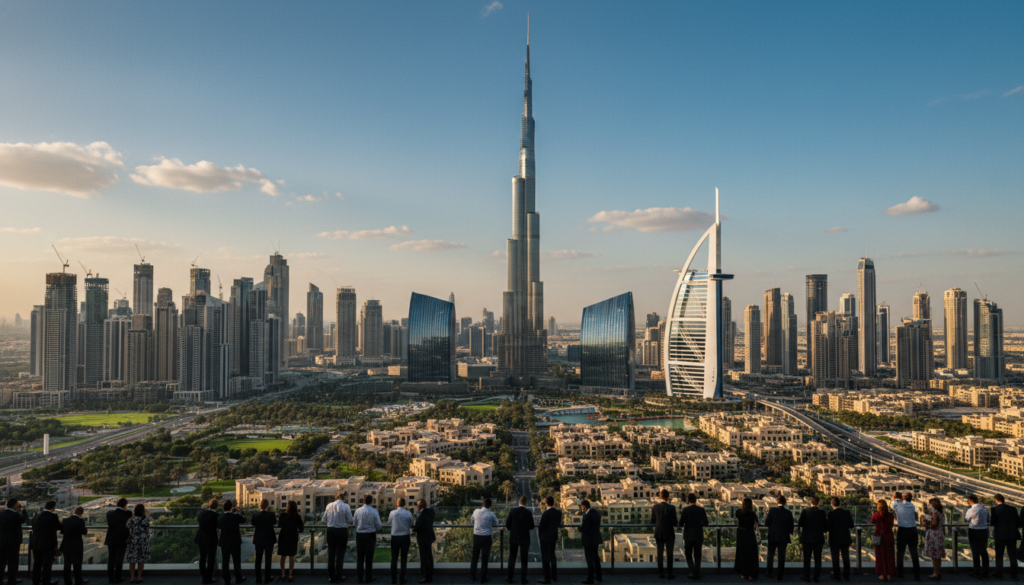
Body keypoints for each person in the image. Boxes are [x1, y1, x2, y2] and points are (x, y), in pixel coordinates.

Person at [324, 494, 354, 584]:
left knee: (331, 554)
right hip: (341, 531)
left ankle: (331, 576)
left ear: (336, 498)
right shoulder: (346, 506)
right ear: (344, 498)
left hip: (330, 530)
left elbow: (324, 518)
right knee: (340, 554)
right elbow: (350, 520)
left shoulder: (329, 505)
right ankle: (339, 575)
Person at [891, 492, 921, 581]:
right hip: (913, 530)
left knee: (900, 553)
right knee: (914, 553)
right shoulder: (912, 506)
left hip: (903, 530)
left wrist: (896, 497)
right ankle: (917, 575)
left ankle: (900, 573)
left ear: (904, 498)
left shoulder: (897, 504)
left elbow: (892, 503)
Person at [505, 496, 535, 584]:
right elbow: (532, 526)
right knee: (524, 559)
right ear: (526, 503)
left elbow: (507, 525)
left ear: (519, 502)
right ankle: (523, 579)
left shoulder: (513, 511)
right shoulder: (528, 512)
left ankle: (510, 577)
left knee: (512, 558)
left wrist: (513, 530)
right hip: (525, 538)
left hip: (514, 537)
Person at [30, 500, 61, 585]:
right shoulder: (53, 516)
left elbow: (33, 526)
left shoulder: (36, 516)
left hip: (36, 543)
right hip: (48, 544)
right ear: (53, 507)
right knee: (47, 565)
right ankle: (46, 581)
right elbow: (59, 527)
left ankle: (35, 581)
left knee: (37, 564)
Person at [678, 492, 708, 580]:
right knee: (698, 554)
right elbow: (706, 523)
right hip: (698, 535)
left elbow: (681, 523)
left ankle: (692, 571)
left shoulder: (685, 510)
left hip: (688, 535)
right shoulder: (701, 510)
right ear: (696, 500)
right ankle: (697, 572)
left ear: (688, 500)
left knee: (688, 554)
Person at [469, 498, 499, 583]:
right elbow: (497, 523)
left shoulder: (476, 511)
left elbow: (471, 522)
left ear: (483, 504)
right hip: (486, 537)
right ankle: (483, 577)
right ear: (490, 505)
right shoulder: (491, 514)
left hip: (477, 536)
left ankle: (472, 574)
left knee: (475, 556)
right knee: (484, 558)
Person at [353, 495, 382, 584]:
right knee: (369, 558)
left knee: (360, 558)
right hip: (370, 535)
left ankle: (359, 578)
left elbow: (354, 523)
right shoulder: (374, 511)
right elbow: (379, 526)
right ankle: (368, 578)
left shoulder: (358, 511)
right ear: (371, 501)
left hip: (360, 535)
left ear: (363, 501)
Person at [799, 496, 828, 583]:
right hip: (818, 538)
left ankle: (806, 576)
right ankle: (816, 577)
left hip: (807, 538)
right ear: (818, 503)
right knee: (818, 558)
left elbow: (800, 523)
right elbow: (825, 527)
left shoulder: (805, 512)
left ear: (810, 503)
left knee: (807, 558)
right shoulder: (822, 513)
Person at [765, 496, 794, 581]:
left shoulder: (772, 511)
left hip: (773, 536)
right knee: (781, 556)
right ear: (785, 503)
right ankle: (780, 575)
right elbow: (791, 526)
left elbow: (766, 523)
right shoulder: (788, 513)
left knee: (770, 555)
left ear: (777, 502)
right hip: (783, 537)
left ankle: (769, 572)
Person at [104, 498, 133, 585]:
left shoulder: (109, 514)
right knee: (119, 559)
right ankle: (118, 578)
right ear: (125, 505)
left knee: (111, 558)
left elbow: (110, 513)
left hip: (111, 538)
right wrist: (125, 508)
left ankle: (110, 578)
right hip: (122, 539)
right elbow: (129, 513)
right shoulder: (127, 513)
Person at [1, 498, 29, 585]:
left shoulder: (1, 514)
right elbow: (25, 519)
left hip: (2, 541)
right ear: (15, 505)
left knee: (1, 561)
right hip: (13, 542)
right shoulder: (15, 515)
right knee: (12, 562)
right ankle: (11, 580)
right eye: (18, 503)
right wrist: (23, 510)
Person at [218, 500, 246, 585]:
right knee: (236, 561)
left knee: (225, 561)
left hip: (224, 542)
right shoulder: (235, 516)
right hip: (235, 541)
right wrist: (239, 512)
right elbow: (244, 519)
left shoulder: (220, 517)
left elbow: (218, 526)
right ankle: (238, 578)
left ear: (223, 508)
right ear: (231, 508)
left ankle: (227, 580)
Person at [991, 494, 1019, 580]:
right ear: (1003, 499)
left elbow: (992, 523)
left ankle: (999, 574)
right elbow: (1018, 521)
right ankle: (1014, 575)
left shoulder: (995, 510)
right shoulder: (1013, 509)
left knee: (999, 555)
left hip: (1000, 535)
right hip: (1012, 535)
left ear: (996, 500)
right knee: (1013, 556)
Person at [826, 498, 854, 582]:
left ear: (832, 504)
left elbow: (828, 526)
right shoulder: (846, 513)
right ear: (840, 503)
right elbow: (851, 525)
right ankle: (846, 575)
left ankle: (837, 575)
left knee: (835, 558)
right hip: (845, 538)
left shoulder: (831, 514)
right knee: (846, 557)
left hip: (834, 538)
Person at [250, 500, 277, 584]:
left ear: (260, 506)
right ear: (267, 506)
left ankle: (258, 578)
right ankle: (267, 577)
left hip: (258, 539)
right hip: (269, 539)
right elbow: (275, 522)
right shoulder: (271, 515)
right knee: (268, 559)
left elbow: (252, 523)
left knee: (258, 559)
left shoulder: (255, 515)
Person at [388, 499, 414, 585]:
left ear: (397, 504)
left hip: (395, 537)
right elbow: (411, 524)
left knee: (394, 558)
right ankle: (402, 579)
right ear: (404, 504)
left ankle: (393, 579)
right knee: (403, 558)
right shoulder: (408, 513)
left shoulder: (392, 513)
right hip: (405, 537)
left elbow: (389, 523)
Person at [277, 501, 304, 583]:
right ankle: (290, 575)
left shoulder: (282, 515)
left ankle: (283, 574)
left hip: (283, 537)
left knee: (283, 556)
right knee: (291, 556)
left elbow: (279, 525)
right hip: (292, 537)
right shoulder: (297, 517)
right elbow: (301, 529)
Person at [60, 506, 88, 585]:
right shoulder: (80, 520)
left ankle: (67, 581)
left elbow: (62, 531)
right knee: (77, 564)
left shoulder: (65, 520)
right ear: (81, 513)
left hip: (66, 545)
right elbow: (84, 532)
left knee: (67, 565)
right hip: (76, 545)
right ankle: (78, 581)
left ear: (74, 511)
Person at [734, 497, 760, 581]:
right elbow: (757, 522)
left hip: (741, 535)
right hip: (750, 535)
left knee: (742, 554)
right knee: (751, 555)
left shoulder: (738, 512)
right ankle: (751, 574)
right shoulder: (753, 514)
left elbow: (737, 517)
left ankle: (743, 573)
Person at [195, 500, 220, 585]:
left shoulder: (202, 513)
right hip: (211, 539)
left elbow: (199, 520)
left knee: (202, 557)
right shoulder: (216, 515)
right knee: (211, 559)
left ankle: (203, 576)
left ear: (209, 505)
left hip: (201, 537)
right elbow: (218, 526)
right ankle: (209, 577)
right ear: (216, 507)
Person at [537, 496, 561, 585]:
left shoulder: (546, 513)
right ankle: (554, 576)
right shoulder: (558, 513)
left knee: (545, 558)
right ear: (553, 502)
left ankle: (547, 578)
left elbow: (541, 527)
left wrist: (540, 537)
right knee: (552, 556)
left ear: (546, 503)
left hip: (545, 538)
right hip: (554, 537)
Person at [965, 494, 991, 579]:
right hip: (984, 531)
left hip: (974, 531)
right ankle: (985, 572)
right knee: (983, 551)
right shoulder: (984, 509)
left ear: (970, 500)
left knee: (975, 552)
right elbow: (988, 519)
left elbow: (966, 519)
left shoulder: (972, 509)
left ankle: (977, 571)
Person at [872, 499, 896, 581]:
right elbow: (891, 525)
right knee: (889, 555)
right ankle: (889, 574)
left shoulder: (875, 515)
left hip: (878, 536)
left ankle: (882, 573)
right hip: (888, 536)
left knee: (880, 556)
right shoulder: (890, 516)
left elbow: (873, 522)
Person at [125, 504, 150, 584]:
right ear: (143, 510)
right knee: (141, 560)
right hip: (143, 541)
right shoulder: (146, 519)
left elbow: (127, 527)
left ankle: (132, 578)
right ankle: (139, 577)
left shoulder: (131, 520)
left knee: (132, 560)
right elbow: (148, 532)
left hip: (133, 541)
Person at [579, 500, 602, 585]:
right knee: (596, 558)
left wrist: (579, 529)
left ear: (584, 507)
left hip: (589, 541)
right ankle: (599, 576)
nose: (582, 509)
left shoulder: (587, 516)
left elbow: (586, 529)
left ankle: (590, 579)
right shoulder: (596, 512)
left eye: (582, 507)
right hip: (596, 538)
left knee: (589, 560)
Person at [922, 498, 946, 580]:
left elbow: (933, 525)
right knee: (938, 556)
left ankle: (935, 573)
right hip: (939, 534)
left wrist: (924, 523)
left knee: (934, 555)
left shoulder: (935, 514)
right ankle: (937, 572)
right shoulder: (940, 513)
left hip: (934, 535)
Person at [413, 500, 435, 584]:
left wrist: (414, 529)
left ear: (419, 506)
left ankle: (427, 576)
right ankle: (430, 572)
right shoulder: (431, 512)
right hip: (429, 537)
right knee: (429, 555)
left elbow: (417, 527)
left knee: (424, 557)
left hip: (423, 538)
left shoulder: (421, 516)